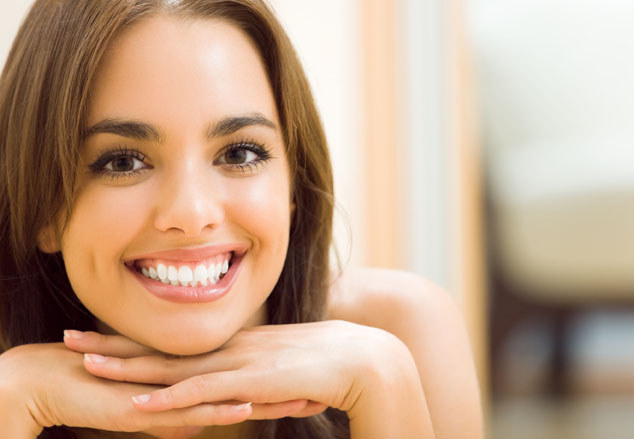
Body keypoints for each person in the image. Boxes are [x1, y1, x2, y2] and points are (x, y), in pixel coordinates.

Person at [0, 1, 483, 438]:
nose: (191, 214)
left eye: (239, 152)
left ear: (293, 186)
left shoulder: (400, 335)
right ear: (43, 208)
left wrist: (386, 388)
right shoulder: (8, 387)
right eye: (122, 162)